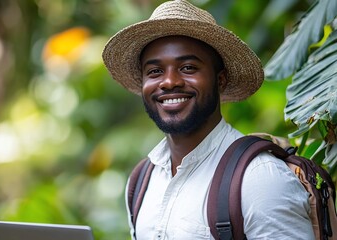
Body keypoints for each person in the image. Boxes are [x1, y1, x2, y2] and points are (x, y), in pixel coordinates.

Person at [102, 0, 314, 239]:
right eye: (154, 71)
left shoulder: (259, 178)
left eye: (188, 67)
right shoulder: (141, 180)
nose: (169, 81)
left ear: (220, 80)